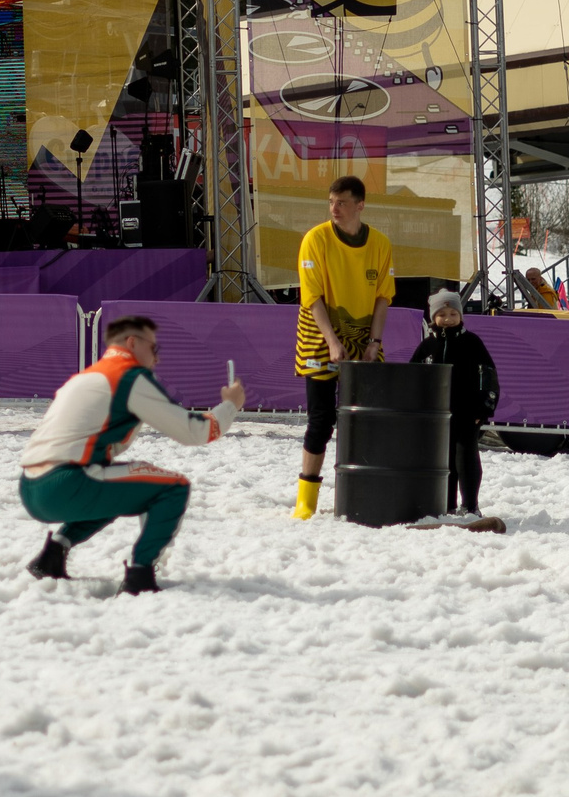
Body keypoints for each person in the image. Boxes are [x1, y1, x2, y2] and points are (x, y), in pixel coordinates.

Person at [20, 315, 244, 594]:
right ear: (132, 343)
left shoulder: (86, 376)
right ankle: (140, 575)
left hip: (31, 487)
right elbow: (194, 432)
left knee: (125, 486)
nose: (157, 358)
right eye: (154, 348)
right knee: (173, 487)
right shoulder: (130, 376)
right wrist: (230, 406)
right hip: (67, 485)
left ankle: (52, 554)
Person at [290, 175, 395, 520]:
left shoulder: (380, 244)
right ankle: (306, 498)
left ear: (360, 205)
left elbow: (383, 298)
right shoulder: (315, 239)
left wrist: (374, 342)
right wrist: (332, 342)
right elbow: (312, 297)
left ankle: (361, 490)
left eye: (342, 203)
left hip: (363, 335)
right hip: (319, 334)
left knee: (367, 419)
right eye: (331, 202)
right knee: (321, 419)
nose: (334, 209)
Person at [410, 291, 500, 516]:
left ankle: (470, 505)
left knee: (465, 455)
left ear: (461, 315)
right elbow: (412, 378)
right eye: (442, 314)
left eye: (453, 313)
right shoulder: (427, 345)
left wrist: (484, 407)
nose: (448, 319)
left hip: (468, 412)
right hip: (436, 414)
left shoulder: (472, 342)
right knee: (443, 460)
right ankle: (446, 504)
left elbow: (488, 375)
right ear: (433, 317)